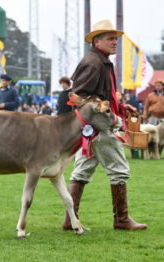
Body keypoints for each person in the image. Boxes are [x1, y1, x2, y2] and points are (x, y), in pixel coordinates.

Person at [62, 20, 147, 230]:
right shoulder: (94, 62)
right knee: (119, 171)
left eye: (115, 39)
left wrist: (120, 106)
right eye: (110, 38)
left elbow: (98, 95)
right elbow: (77, 97)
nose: (115, 42)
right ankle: (122, 219)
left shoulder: (99, 60)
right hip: (100, 127)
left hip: (90, 130)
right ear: (97, 40)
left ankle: (69, 220)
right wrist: (108, 116)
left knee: (80, 174)